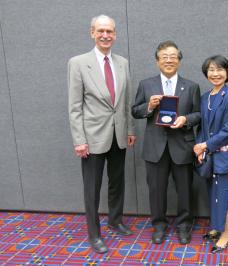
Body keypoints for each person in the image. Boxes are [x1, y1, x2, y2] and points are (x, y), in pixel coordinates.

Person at [68, 15, 135, 254]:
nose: (106, 35)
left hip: (118, 135)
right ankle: (94, 234)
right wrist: (79, 140)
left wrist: (129, 129)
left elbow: (125, 100)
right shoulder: (78, 63)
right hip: (92, 138)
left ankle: (115, 221)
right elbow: (75, 106)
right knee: (92, 188)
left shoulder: (123, 63)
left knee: (117, 183)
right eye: (101, 31)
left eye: (110, 31)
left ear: (115, 34)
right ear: (92, 33)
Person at [131, 41, 200, 245]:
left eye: (173, 56)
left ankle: (184, 226)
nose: (169, 60)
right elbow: (135, 110)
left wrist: (186, 119)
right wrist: (149, 107)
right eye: (164, 56)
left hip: (182, 146)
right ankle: (159, 226)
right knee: (156, 191)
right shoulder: (146, 84)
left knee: (185, 190)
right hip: (155, 147)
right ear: (157, 60)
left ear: (179, 60)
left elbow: (199, 114)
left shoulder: (191, 86)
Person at [194, 55, 228, 253]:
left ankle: (225, 233)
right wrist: (199, 147)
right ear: (206, 74)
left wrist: (205, 145)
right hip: (208, 155)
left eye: (220, 69)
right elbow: (202, 127)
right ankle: (216, 227)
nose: (216, 73)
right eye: (211, 70)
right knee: (213, 194)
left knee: (225, 195)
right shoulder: (205, 97)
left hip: (225, 155)